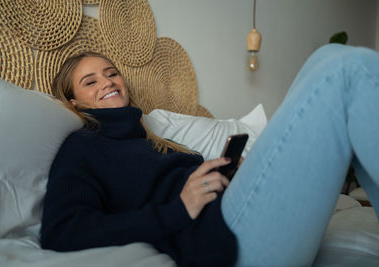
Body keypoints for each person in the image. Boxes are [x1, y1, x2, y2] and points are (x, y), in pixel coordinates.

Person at [41, 44, 379, 267]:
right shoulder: (83, 146)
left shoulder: (156, 143)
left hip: (235, 213)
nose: (107, 82)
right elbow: (62, 230)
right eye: (90, 81)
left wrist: (234, 179)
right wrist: (177, 210)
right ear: (76, 102)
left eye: (111, 73)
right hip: (225, 242)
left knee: (327, 56)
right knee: (343, 70)